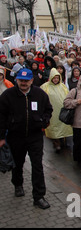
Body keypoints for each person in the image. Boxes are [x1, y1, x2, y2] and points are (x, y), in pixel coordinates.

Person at [0, 68, 53, 209]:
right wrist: (1, 137)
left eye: (26, 80)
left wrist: (44, 120)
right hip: (15, 136)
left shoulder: (40, 94)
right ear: (16, 80)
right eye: (21, 80)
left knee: (37, 166)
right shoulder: (7, 95)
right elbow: (1, 117)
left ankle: (39, 196)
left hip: (35, 136)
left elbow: (48, 109)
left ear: (31, 80)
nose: (23, 83)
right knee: (17, 163)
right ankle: (17, 184)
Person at [40, 68, 73, 153]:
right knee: (54, 127)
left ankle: (63, 141)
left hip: (62, 110)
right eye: (54, 78)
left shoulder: (62, 86)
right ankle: (56, 143)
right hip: (52, 111)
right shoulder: (45, 86)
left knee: (63, 126)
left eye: (57, 78)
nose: (55, 80)